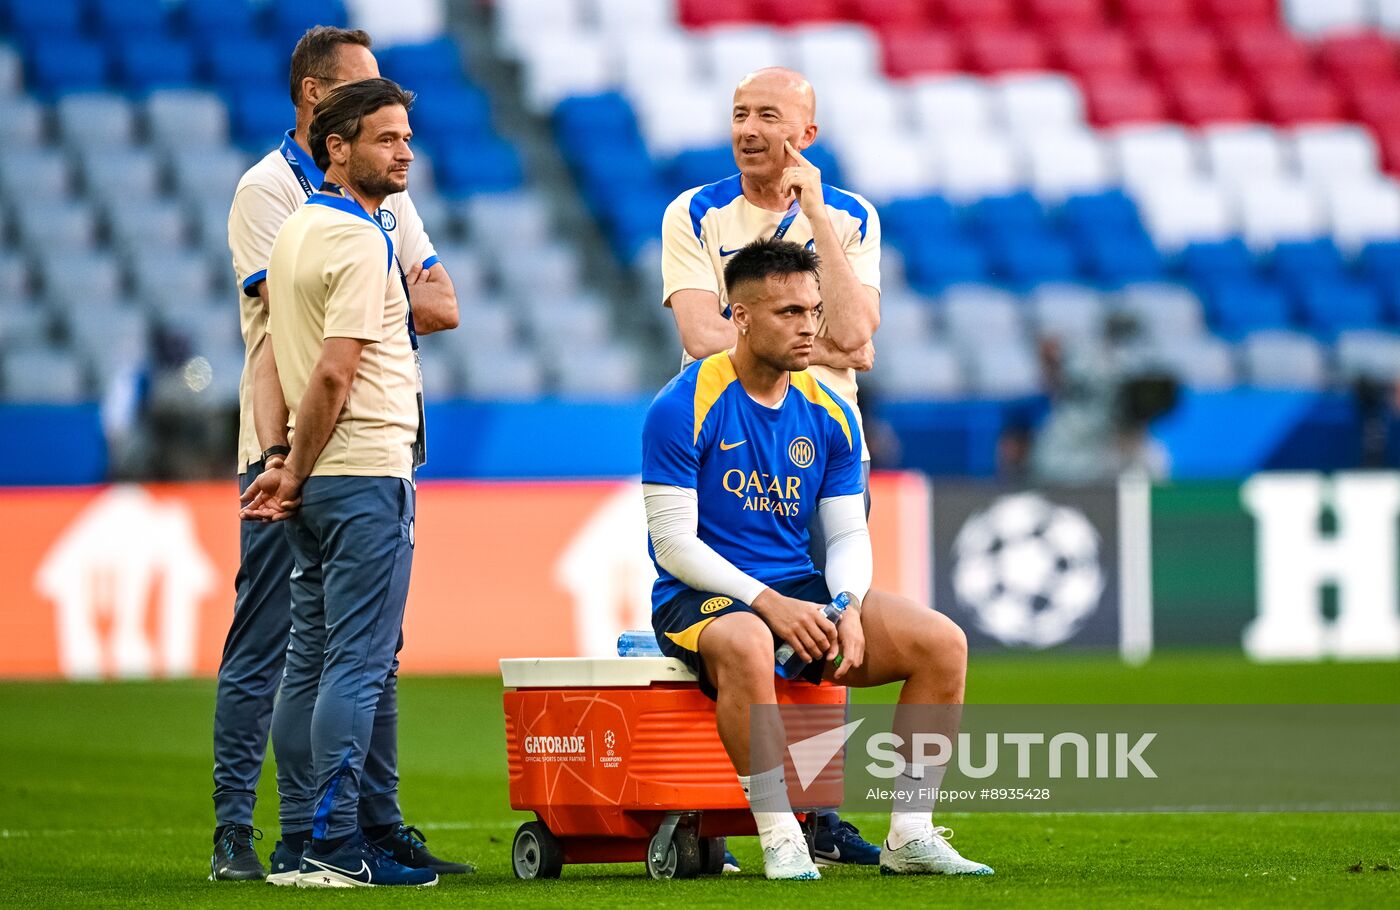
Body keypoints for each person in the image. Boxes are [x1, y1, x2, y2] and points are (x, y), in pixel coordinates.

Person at [642, 239, 992, 880]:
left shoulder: (830, 409)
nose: (808, 327)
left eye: (813, 310)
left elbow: (846, 536)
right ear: (740, 317)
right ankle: (781, 836)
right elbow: (674, 547)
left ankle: (909, 835)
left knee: (942, 643)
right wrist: (770, 603)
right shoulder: (681, 405)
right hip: (700, 598)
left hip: (800, 591)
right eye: (788, 313)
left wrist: (848, 606)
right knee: (748, 639)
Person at [214, 27, 466, 883]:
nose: (404, 153)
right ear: (331, 125)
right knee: (348, 662)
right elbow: (330, 366)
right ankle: (329, 845)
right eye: (387, 134)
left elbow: (271, 358)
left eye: (405, 135)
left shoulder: (302, 231)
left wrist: (288, 460)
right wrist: (286, 460)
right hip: (357, 468)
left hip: (308, 466)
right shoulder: (353, 233)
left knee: (314, 660)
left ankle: (299, 842)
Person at [659, 65, 883, 866]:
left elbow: (860, 339)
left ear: (807, 136)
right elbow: (700, 335)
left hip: (828, 446)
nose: (750, 129)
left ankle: (818, 812)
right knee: (760, 619)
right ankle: (783, 813)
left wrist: (814, 212)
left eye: (769, 116)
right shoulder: (693, 211)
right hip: (732, 434)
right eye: (739, 114)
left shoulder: (851, 215)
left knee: (836, 623)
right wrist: (804, 347)